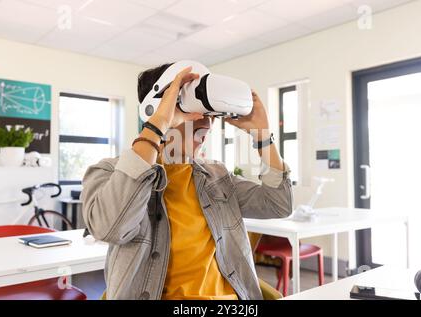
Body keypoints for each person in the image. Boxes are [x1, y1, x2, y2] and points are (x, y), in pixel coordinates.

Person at [81, 64, 293, 300]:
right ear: (158, 110)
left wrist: (263, 136)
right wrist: (158, 123)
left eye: (210, 114)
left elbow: (279, 203)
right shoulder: (109, 172)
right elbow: (111, 228)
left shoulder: (217, 175)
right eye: (193, 110)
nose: (208, 124)